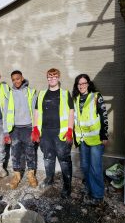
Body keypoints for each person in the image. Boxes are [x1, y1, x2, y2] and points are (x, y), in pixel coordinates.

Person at [32, 68, 74, 199]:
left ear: (59, 78)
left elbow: (71, 112)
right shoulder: (42, 93)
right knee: (48, 158)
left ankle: (67, 186)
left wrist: (70, 130)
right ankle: (49, 179)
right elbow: (37, 112)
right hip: (45, 133)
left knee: (64, 160)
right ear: (47, 78)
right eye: (49, 77)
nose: (52, 79)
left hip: (60, 134)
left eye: (54, 76)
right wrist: (35, 129)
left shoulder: (65, 93)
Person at [72, 74, 108, 205]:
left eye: (83, 83)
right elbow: (76, 120)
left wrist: (104, 135)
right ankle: (90, 188)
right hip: (82, 140)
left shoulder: (96, 96)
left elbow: (104, 116)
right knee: (85, 166)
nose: (81, 86)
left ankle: (98, 196)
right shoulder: (75, 99)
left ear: (88, 84)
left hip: (95, 139)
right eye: (79, 84)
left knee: (95, 168)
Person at [4, 70, 38, 189]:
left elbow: (36, 112)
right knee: (15, 153)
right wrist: (6, 132)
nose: (16, 81)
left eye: (18, 78)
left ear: (22, 78)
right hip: (15, 129)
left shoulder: (31, 92)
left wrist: (36, 129)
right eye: (13, 80)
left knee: (30, 152)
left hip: (28, 127)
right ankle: (17, 175)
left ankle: (31, 174)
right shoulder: (9, 94)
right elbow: (5, 113)